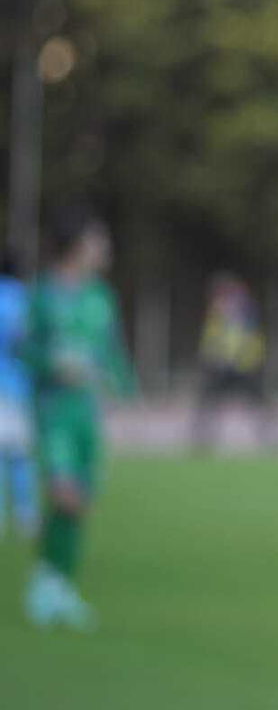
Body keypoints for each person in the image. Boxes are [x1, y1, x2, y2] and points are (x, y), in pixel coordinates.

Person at [23, 208, 135, 629]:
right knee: (64, 495)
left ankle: (59, 585)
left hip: (87, 414)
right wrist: (54, 363)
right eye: (98, 238)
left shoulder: (100, 297)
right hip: (55, 413)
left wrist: (126, 390)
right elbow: (26, 349)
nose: (105, 247)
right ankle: (44, 582)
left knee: (79, 504)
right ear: (78, 244)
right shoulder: (45, 293)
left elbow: (112, 352)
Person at [190, 272, 278, 451]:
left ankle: (270, 436)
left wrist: (248, 358)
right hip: (222, 366)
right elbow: (211, 339)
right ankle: (202, 438)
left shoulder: (244, 310)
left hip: (243, 366)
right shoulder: (218, 313)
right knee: (209, 401)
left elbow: (249, 339)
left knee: (257, 401)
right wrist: (210, 357)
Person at [0, 250, 39, 540]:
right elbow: (25, 342)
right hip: (16, 387)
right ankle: (25, 514)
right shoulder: (23, 300)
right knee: (20, 455)